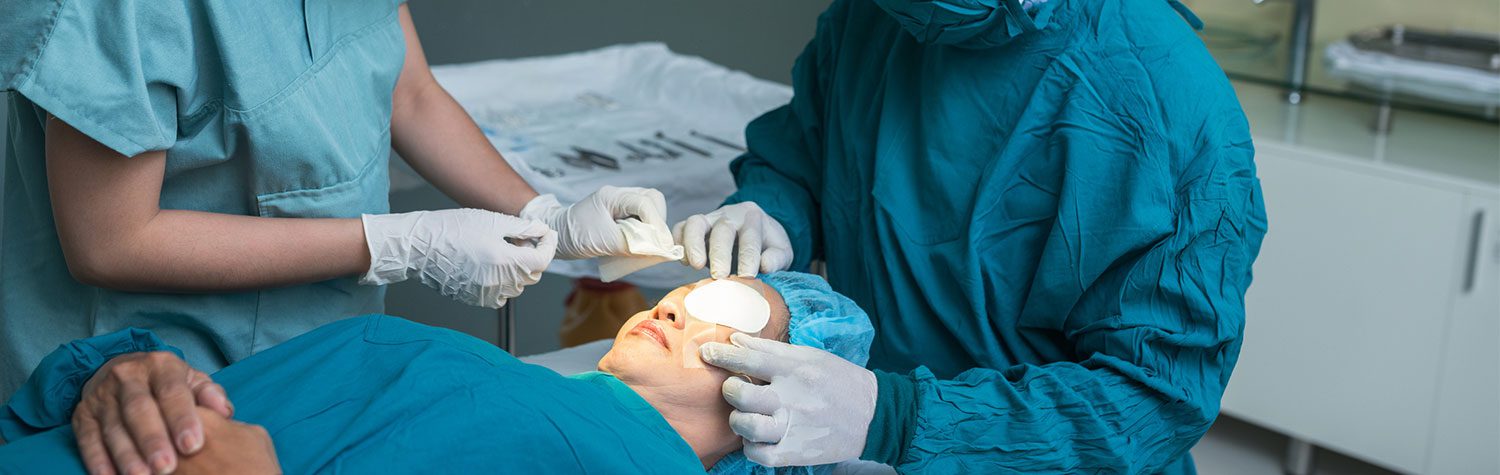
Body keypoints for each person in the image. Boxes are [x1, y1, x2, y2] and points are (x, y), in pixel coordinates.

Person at [0, 2, 672, 472]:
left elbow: (410, 93)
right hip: (152, 389)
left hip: (335, 371)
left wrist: (542, 212)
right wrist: (393, 244)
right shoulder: (123, 11)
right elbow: (112, 241)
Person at [676, 0, 1269, 472]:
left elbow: (1152, 400)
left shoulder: (1161, 99)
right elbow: (805, 152)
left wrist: (899, 420)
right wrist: (773, 211)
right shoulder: (881, 15)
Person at [0, 273, 873, 475]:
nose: (679, 304)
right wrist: (115, 373)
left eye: (740, 320)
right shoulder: (530, 391)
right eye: (687, 287)